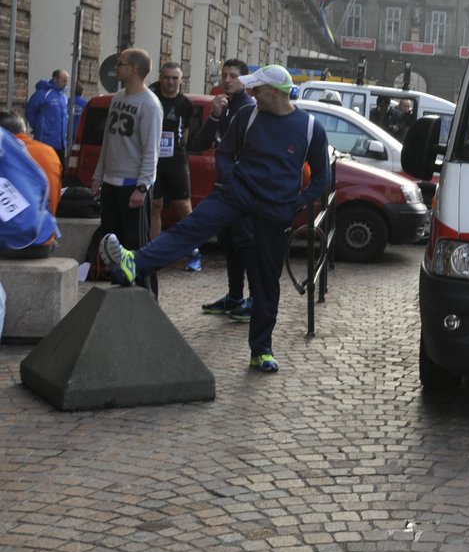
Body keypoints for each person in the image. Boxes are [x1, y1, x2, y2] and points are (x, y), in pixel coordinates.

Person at [100, 65, 329, 374]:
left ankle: (261, 350)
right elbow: (224, 154)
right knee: (188, 229)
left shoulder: (311, 127)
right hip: (235, 195)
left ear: (275, 93)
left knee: (265, 282)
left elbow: (321, 179)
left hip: (276, 211)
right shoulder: (247, 116)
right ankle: (134, 263)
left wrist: (294, 205)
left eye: (257, 88)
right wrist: (233, 180)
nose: (251, 92)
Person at [90, 48, 162, 294]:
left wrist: (143, 186)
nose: (116, 67)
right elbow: (108, 141)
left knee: (137, 244)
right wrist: (99, 175)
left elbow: (151, 149)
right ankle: (119, 291)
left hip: (133, 184)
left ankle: (147, 295)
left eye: (120, 64)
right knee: (112, 242)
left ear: (134, 70)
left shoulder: (150, 104)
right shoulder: (118, 97)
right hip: (111, 182)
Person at [192, 59, 255, 320]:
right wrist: (215, 116)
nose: (227, 80)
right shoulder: (222, 105)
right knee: (229, 244)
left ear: (245, 81)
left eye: (234, 76)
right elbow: (200, 143)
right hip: (223, 187)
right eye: (225, 75)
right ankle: (234, 295)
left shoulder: (249, 108)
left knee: (246, 245)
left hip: (242, 188)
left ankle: (254, 299)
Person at [149, 62, 202, 270]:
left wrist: (179, 150)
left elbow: (186, 133)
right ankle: (153, 252)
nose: (170, 82)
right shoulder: (152, 97)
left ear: (181, 80)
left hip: (176, 160)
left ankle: (194, 251)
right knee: (155, 206)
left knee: (184, 207)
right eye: (166, 77)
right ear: (160, 78)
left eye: (174, 78)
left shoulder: (185, 104)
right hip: (153, 160)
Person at [0, 112, 61, 212]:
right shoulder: (49, 151)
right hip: (46, 221)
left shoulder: (5, 154)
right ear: (25, 130)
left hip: (17, 224)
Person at [25, 68, 71, 163]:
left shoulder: (63, 96)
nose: (66, 84)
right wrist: (38, 127)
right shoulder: (43, 93)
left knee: (60, 171)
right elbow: (30, 112)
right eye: (64, 81)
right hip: (45, 142)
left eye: (67, 81)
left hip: (61, 143)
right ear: (55, 79)